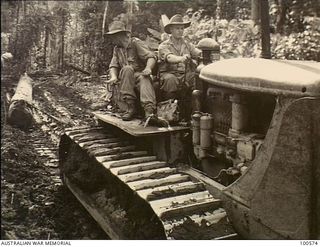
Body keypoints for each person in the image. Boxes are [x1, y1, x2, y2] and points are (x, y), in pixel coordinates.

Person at [106, 21, 157, 121]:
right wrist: (113, 76)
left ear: (121, 35)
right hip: (125, 80)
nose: (112, 39)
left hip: (138, 76)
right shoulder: (117, 49)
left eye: (114, 36)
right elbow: (113, 65)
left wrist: (148, 68)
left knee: (144, 79)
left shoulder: (135, 43)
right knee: (127, 69)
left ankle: (149, 111)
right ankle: (130, 107)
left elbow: (151, 56)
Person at [158, 14, 201, 101]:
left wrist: (206, 54)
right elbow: (169, 57)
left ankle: (197, 109)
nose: (180, 31)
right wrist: (181, 58)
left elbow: (198, 53)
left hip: (185, 75)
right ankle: (170, 108)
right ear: (171, 30)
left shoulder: (187, 44)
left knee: (198, 78)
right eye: (177, 28)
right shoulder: (164, 45)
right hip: (169, 73)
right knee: (171, 80)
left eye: (182, 28)